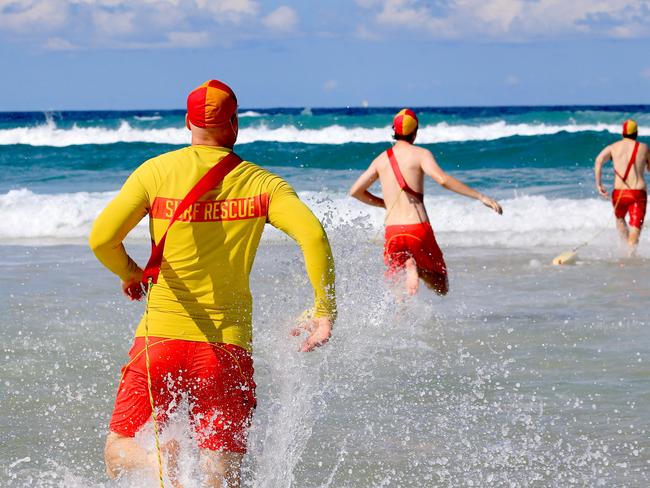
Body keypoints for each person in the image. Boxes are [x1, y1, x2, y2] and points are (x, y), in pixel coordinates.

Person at [89, 80, 336, 488]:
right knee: (221, 475)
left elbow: (101, 239)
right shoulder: (262, 184)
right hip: (225, 350)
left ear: (188, 122)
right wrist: (325, 312)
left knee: (121, 444)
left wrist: (131, 274)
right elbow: (314, 236)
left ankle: (156, 468)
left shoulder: (155, 172)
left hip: (158, 342)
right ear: (235, 124)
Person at [349, 108, 502, 296]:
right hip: (417, 228)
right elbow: (443, 180)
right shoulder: (421, 154)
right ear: (415, 133)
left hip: (393, 232)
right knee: (441, 287)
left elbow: (355, 191)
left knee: (398, 289)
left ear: (394, 131)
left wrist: (383, 203)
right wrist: (480, 196)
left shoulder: (380, 159)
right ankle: (418, 269)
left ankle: (401, 307)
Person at [595, 119, 649, 255]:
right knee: (635, 227)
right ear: (636, 133)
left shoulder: (613, 147)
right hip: (637, 193)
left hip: (619, 194)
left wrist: (599, 184)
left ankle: (626, 250)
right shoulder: (644, 147)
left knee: (620, 219)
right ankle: (630, 255)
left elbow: (599, 160)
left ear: (623, 133)